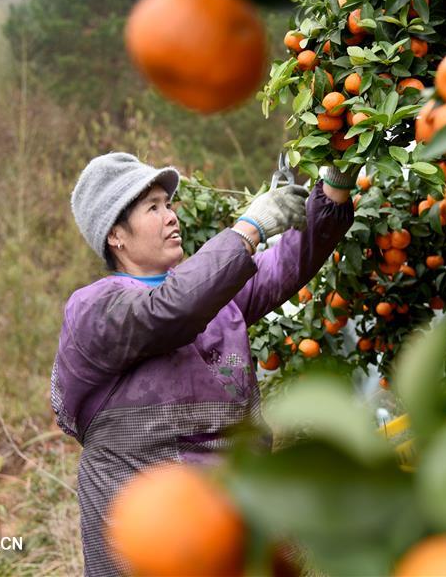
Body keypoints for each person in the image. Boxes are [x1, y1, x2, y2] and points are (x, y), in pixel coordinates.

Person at [51, 152, 355, 576]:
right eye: (153, 208)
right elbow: (171, 310)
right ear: (116, 235)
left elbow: (290, 262)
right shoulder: (94, 309)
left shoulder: (216, 300)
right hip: (150, 540)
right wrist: (248, 228)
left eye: (168, 204)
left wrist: (334, 186)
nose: (171, 216)